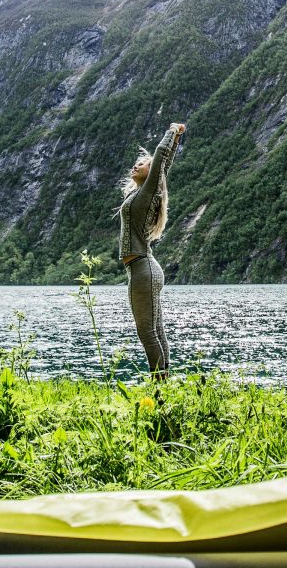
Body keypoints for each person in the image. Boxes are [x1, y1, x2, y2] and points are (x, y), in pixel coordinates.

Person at [117, 122, 185, 379]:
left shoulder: (148, 192)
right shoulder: (141, 194)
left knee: (147, 331)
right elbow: (164, 164)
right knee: (156, 329)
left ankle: (159, 386)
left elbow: (162, 160)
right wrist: (177, 139)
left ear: (150, 173)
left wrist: (172, 131)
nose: (136, 166)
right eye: (136, 164)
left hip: (143, 268)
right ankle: (164, 383)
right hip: (145, 267)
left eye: (142, 164)